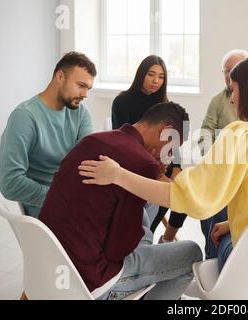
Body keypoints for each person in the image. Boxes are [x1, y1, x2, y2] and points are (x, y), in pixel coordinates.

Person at [78, 56, 248, 298]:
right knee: (223, 225)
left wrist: (119, 175)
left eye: (234, 90)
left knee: (203, 237)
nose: (231, 99)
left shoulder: (242, 134)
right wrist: (233, 224)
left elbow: (191, 198)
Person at [39, 102, 202, 300]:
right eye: (171, 148)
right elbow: (119, 249)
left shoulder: (92, 140)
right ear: (167, 132)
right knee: (191, 254)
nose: (168, 156)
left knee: (143, 222)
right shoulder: (143, 163)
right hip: (93, 280)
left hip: (51, 268)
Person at [161, 49, 248, 257]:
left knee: (211, 200)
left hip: (241, 174)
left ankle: (214, 262)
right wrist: (215, 160)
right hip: (220, 167)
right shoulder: (219, 100)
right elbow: (205, 133)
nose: (229, 76)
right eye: (226, 71)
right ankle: (211, 257)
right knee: (206, 200)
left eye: (234, 71)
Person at [0, 52, 96, 218]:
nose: (85, 94)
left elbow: (87, 163)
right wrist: (61, 197)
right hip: (50, 209)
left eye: (88, 88)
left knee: (131, 214)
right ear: (60, 76)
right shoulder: (24, 117)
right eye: (81, 85)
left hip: (76, 199)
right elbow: (10, 183)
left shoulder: (81, 113)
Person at [111, 55, 185, 242]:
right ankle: (145, 237)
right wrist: (153, 166)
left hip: (162, 161)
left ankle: (166, 238)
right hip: (136, 162)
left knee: (184, 191)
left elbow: (173, 139)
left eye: (161, 77)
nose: (156, 81)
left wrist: (176, 167)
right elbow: (122, 140)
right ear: (141, 74)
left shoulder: (165, 104)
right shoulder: (122, 101)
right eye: (151, 74)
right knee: (166, 193)